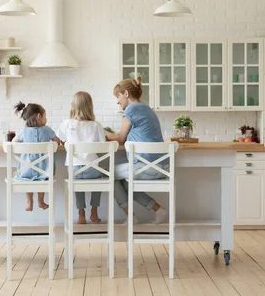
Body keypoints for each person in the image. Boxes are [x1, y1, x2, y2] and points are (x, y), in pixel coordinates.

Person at [105, 77, 168, 224]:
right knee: (126, 183)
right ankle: (159, 210)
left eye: (118, 96)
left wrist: (103, 134)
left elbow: (121, 138)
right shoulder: (146, 108)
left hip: (146, 167)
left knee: (108, 173)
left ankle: (131, 217)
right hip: (162, 167)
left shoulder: (131, 110)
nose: (117, 101)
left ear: (126, 93)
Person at [56, 91, 106, 224]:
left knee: (76, 180)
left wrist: (66, 143)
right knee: (101, 177)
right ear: (90, 106)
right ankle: (94, 212)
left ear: (73, 106)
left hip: (74, 169)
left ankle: (81, 214)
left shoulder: (67, 124)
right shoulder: (96, 125)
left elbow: (58, 141)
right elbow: (102, 145)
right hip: (93, 169)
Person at [12, 101, 60, 211]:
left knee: (27, 181)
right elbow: (56, 141)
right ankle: (41, 201)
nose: (46, 119)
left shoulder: (23, 132)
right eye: (45, 116)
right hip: (44, 170)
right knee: (41, 180)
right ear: (39, 116)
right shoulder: (47, 130)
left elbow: (14, 142)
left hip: (25, 170)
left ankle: (29, 202)